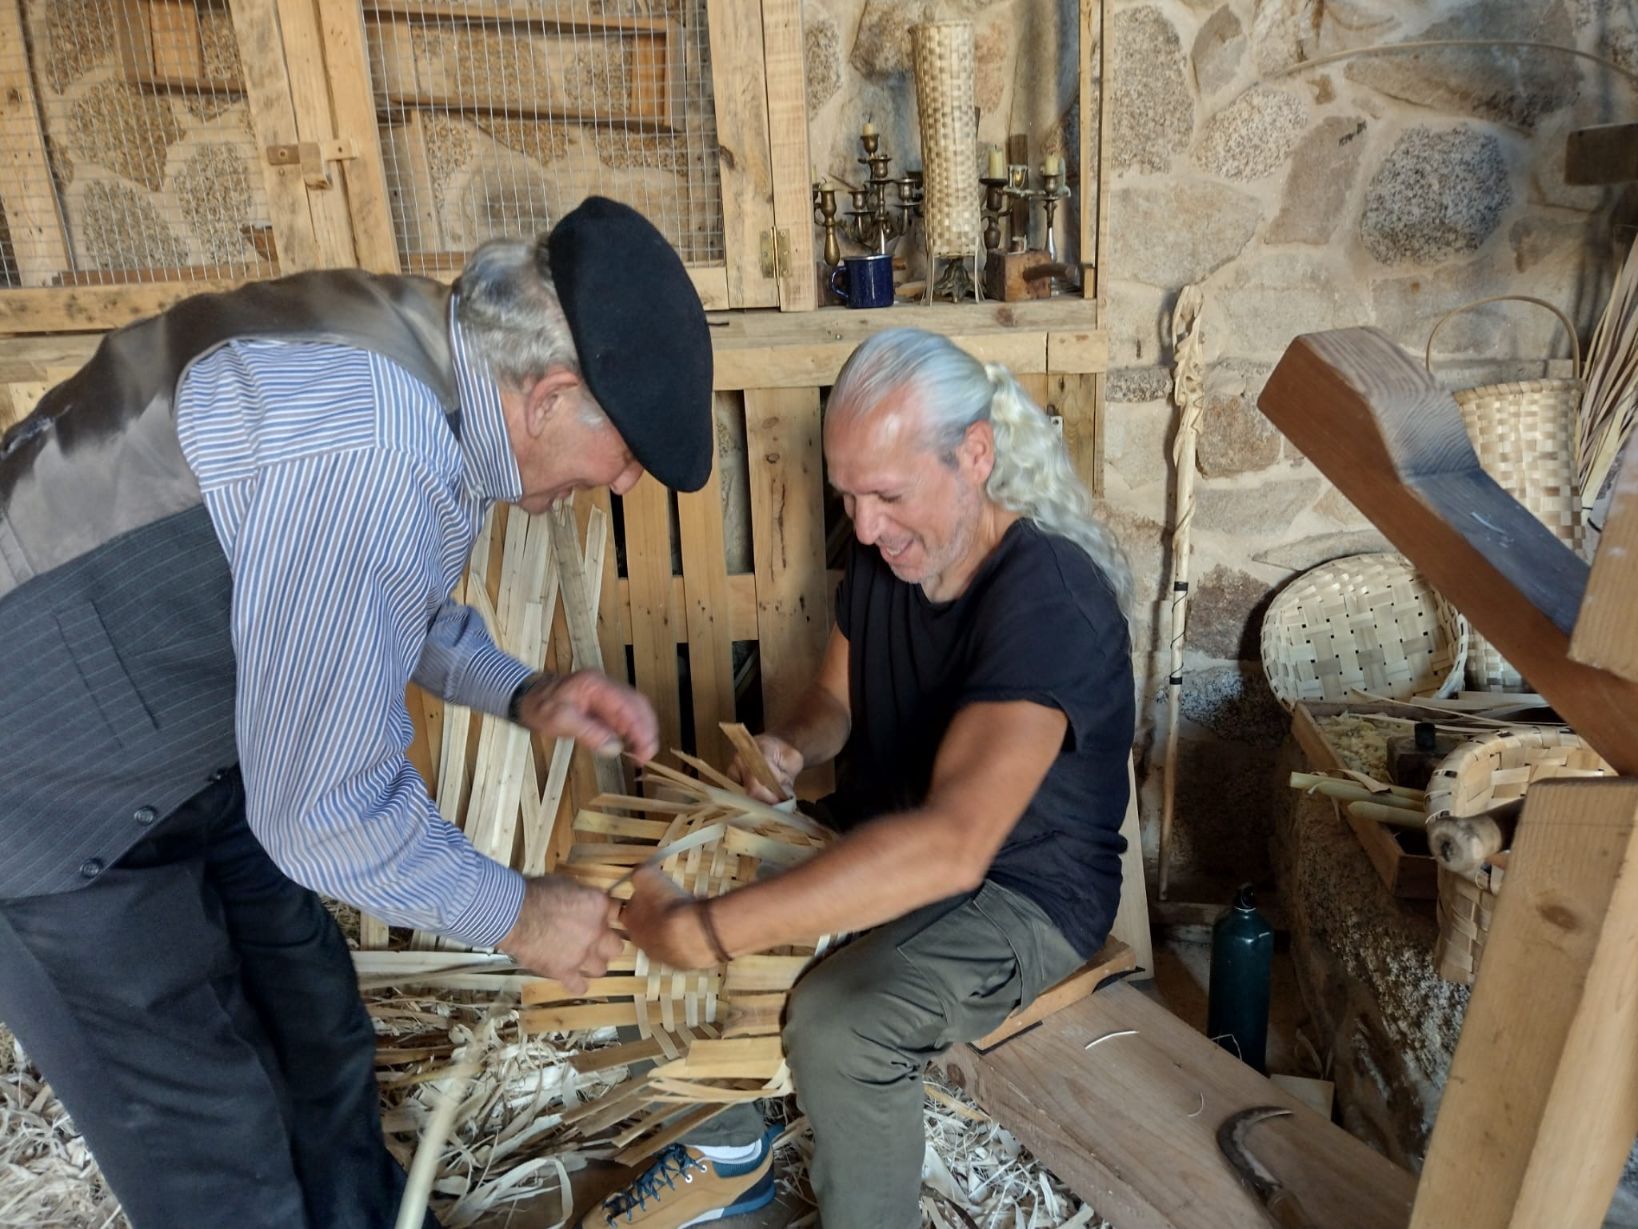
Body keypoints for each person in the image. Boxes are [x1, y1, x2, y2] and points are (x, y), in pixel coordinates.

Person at [0, 197, 711, 1229]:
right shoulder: (372, 441)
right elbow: (324, 815)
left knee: (316, 1030)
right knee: (218, 1149)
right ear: (554, 394)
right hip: (47, 791)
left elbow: (356, 590)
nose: (627, 479)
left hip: (190, 752)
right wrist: (519, 913)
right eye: (631, 450)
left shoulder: (433, 358)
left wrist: (522, 688)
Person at [607, 327, 1137, 1229]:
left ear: (975, 455)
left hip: (1023, 893)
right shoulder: (892, 556)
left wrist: (707, 932)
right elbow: (832, 699)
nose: (865, 527)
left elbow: (952, 846)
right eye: (849, 496)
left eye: (887, 494)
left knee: (841, 1026)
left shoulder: (1050, 599)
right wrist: (790, 748)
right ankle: (734, 1150)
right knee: (656, 882)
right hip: (883, 841)